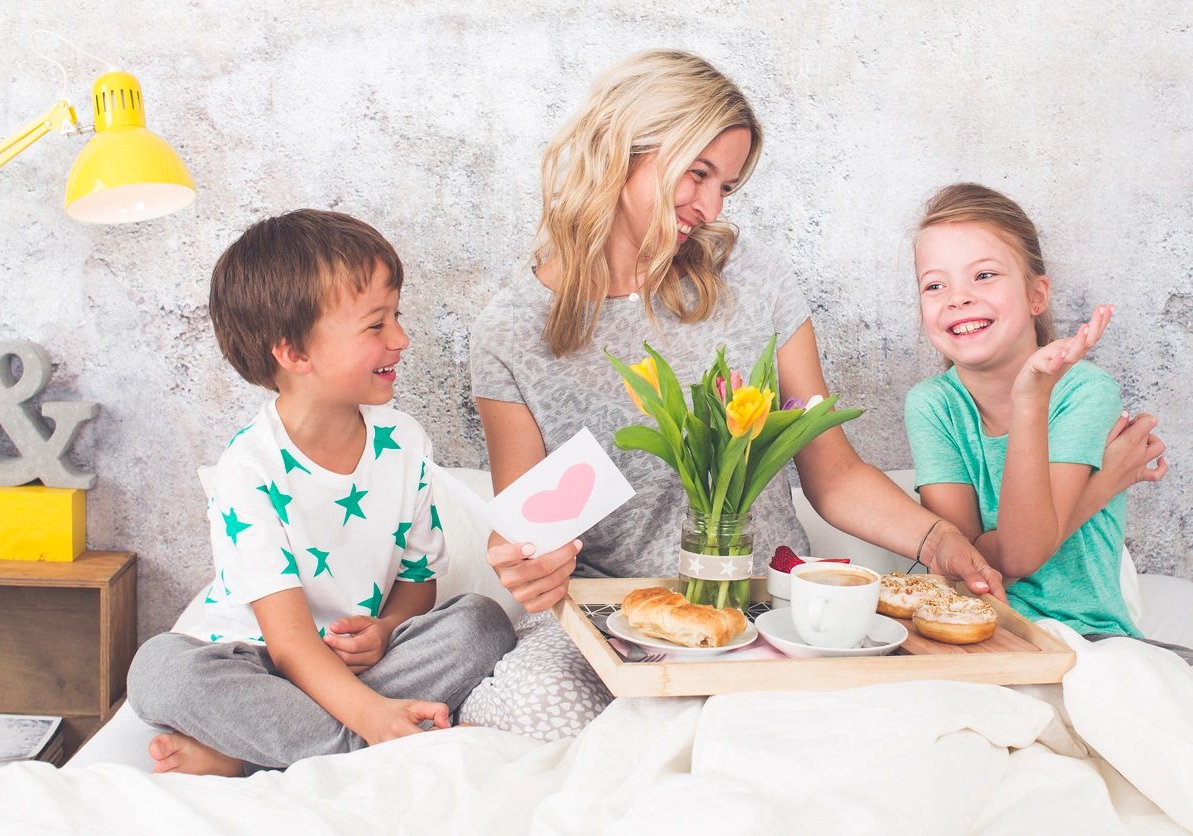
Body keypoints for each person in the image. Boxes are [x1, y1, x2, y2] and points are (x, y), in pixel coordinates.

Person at [460, 50, 1009, 739]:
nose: (711, 206)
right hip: (617, 620)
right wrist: (529, 564)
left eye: (727, 185)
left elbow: (833, 474)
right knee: (536, 714)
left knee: (862, 731)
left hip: (765, 610)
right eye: (698, 173)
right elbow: (528, 526)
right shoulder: (511, 331)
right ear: (621, 147)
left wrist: (939, 539)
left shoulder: (754, 278)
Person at [127, 209, 515, 775]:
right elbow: (286, 642)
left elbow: (417, 584)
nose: (401, 339)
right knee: (160, 670)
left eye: (397, 316)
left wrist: (384, 629)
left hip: (354, 666)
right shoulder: (249, 468)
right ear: (295, 354)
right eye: (376, 325)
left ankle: (249, 750)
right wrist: (372, 715)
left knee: (481, 621)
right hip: (255, 662)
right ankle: (380, 735)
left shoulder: (406, 442)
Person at [905, 183, 1186, 661]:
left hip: (1090, 636)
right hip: (972, 632)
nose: (958, 298)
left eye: (984, 275)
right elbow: (961, 568)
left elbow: (1009, 555)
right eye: (935, 285)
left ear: (1036, 296)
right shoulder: (932, 406)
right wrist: (1102, 485)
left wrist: (1032, 398)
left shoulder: (1084, 392)